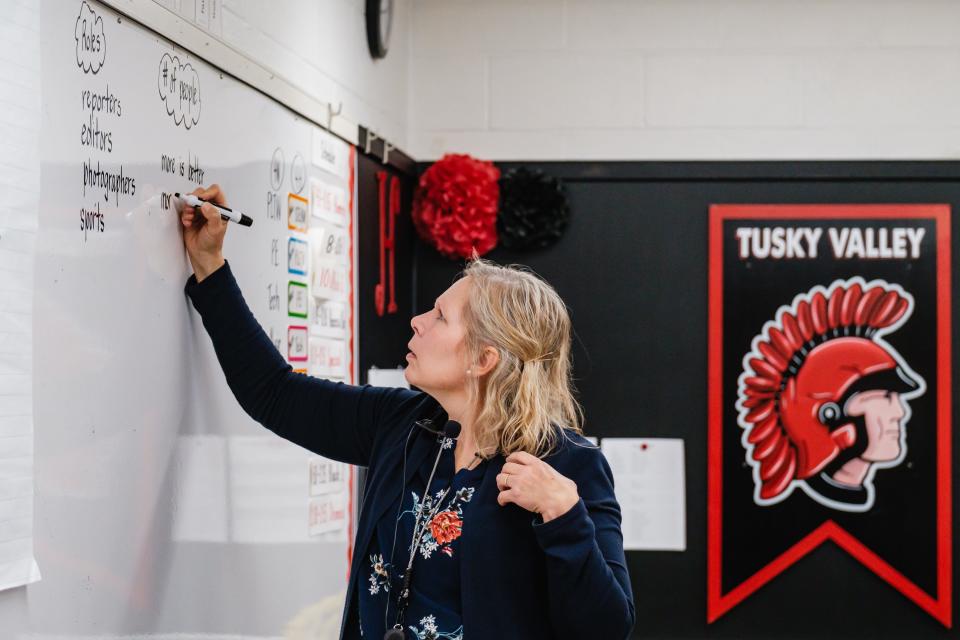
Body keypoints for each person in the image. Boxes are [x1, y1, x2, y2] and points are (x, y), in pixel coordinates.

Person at [179, 184, 635, 640]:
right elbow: (274, 394)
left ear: (484, 359)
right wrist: (209, 266)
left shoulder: (566, 464)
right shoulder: (403, 423)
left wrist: (564, 515)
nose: (417, 321)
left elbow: (608, 629)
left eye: (439, 317)